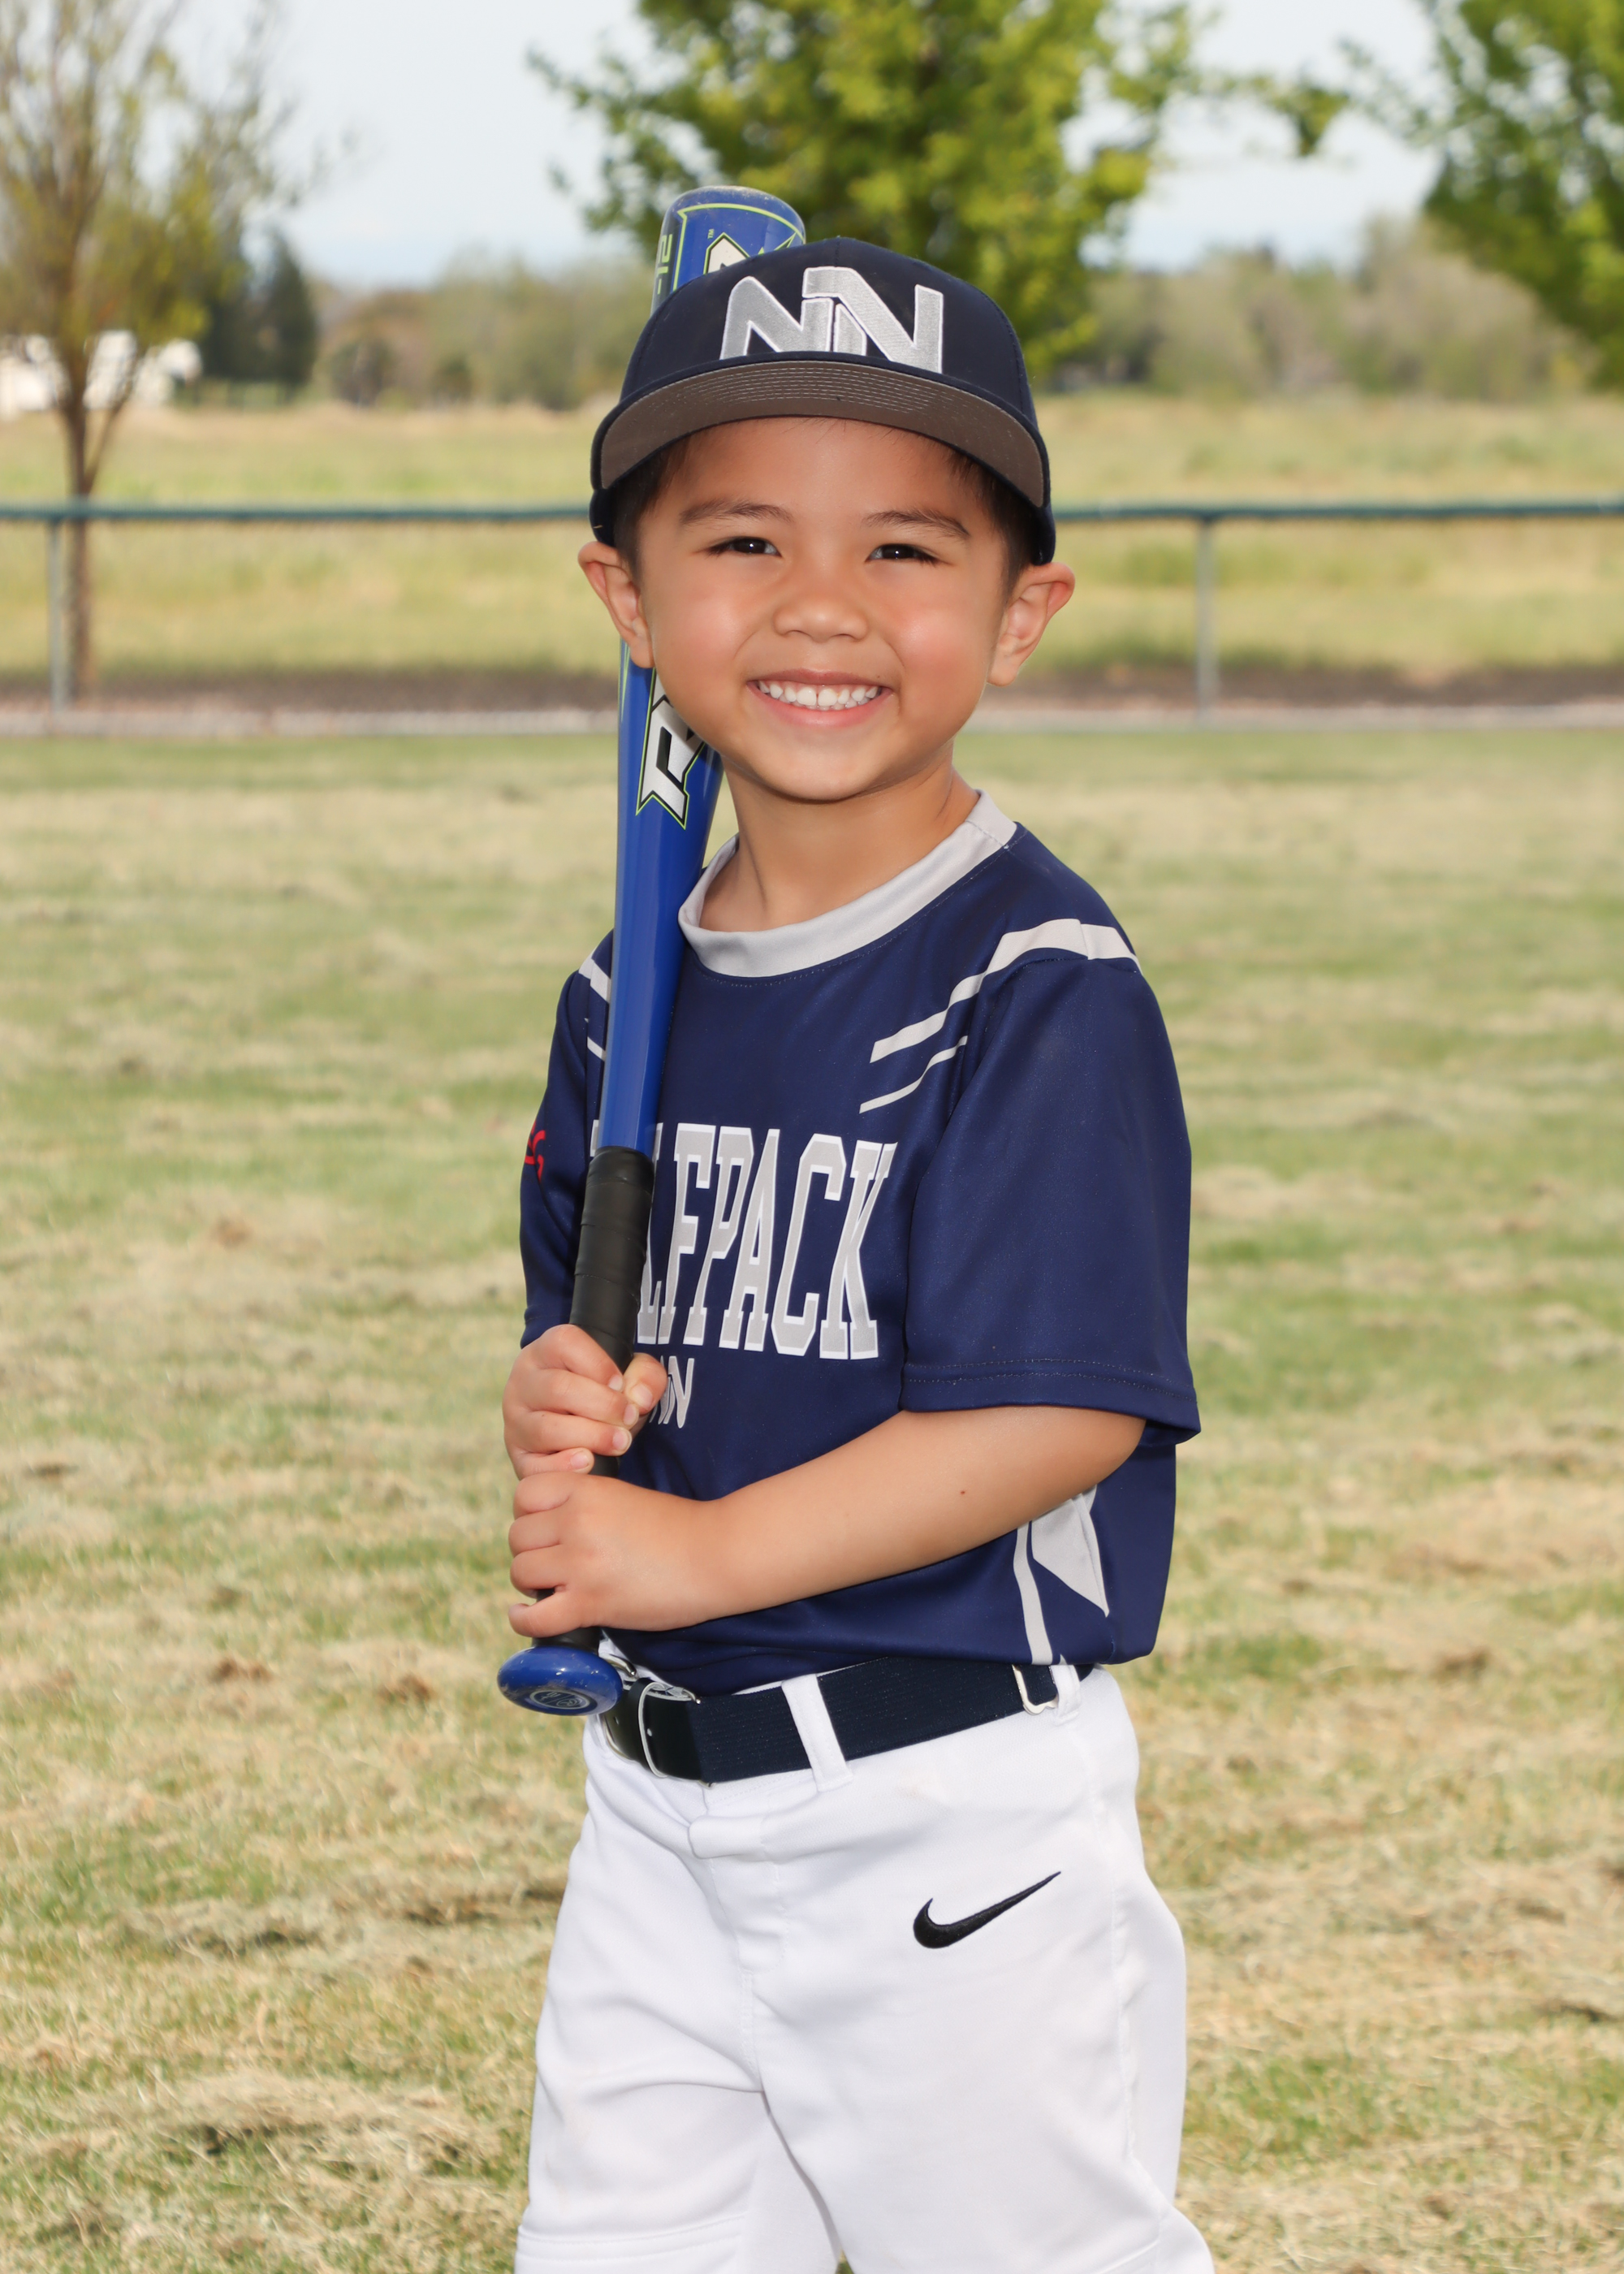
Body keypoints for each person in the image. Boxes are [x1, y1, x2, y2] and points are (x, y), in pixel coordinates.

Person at [502, 237, 1209, 2274]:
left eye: (904, 548)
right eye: (742, 539)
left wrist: (694, 1554)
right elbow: (607, 1350)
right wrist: (567, 1398)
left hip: (941, 1815)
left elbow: (1055, 1412)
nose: (821, 603)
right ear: (629, 598)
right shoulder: (624, 990)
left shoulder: (1036, 981)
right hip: (660, 1806)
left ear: (1021, 612)